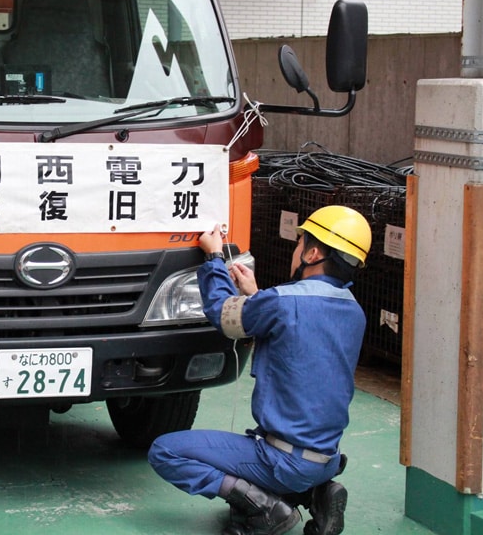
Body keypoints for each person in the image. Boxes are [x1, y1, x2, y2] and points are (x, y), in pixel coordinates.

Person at [148, 205, 372, 535]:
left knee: (165, 451)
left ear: (312, 253)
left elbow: (224, 315)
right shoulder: (354, 311)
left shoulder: (283, 302)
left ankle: (265, 509)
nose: (295, 251)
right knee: (289, 457)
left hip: (281, 459)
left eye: (300, 244)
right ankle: (318, 492)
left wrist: (213, 259)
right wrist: (255, 295)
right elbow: (299, 328)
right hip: (326, 458)